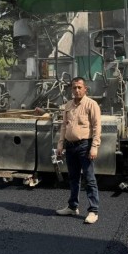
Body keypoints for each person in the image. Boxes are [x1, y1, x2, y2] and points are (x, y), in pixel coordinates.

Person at [55, 77, 101, 224]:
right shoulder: (68, 105)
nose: (77, 90)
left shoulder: (91, 104)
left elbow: (96, 127)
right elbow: (64, 126)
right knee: (73, 178)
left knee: (89, 178)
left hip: (84, 146)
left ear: (85, 89)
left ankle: (93, 211)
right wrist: (60, 144)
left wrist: (94, 147)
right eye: (74, 87)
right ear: (71, 89)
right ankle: (72, 206)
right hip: (70, 146)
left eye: (79, 87)